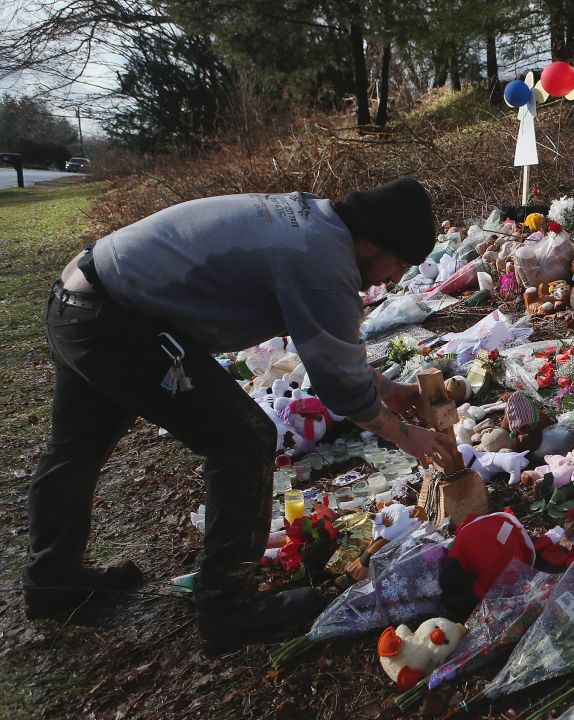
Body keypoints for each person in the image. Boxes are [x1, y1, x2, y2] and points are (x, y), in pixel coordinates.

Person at [24, 178, 462, 648]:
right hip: (116, 320)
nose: (393, 279)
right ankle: (227, 604)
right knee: (243, 438)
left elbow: (327, 350)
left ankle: (53, 579)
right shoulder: (322, 259)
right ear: (371, 242)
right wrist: (404, 435)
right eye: (396, 264)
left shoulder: (314, 224)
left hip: (81, 301)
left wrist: (389, 391)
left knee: (76, 447)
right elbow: (341, 387)